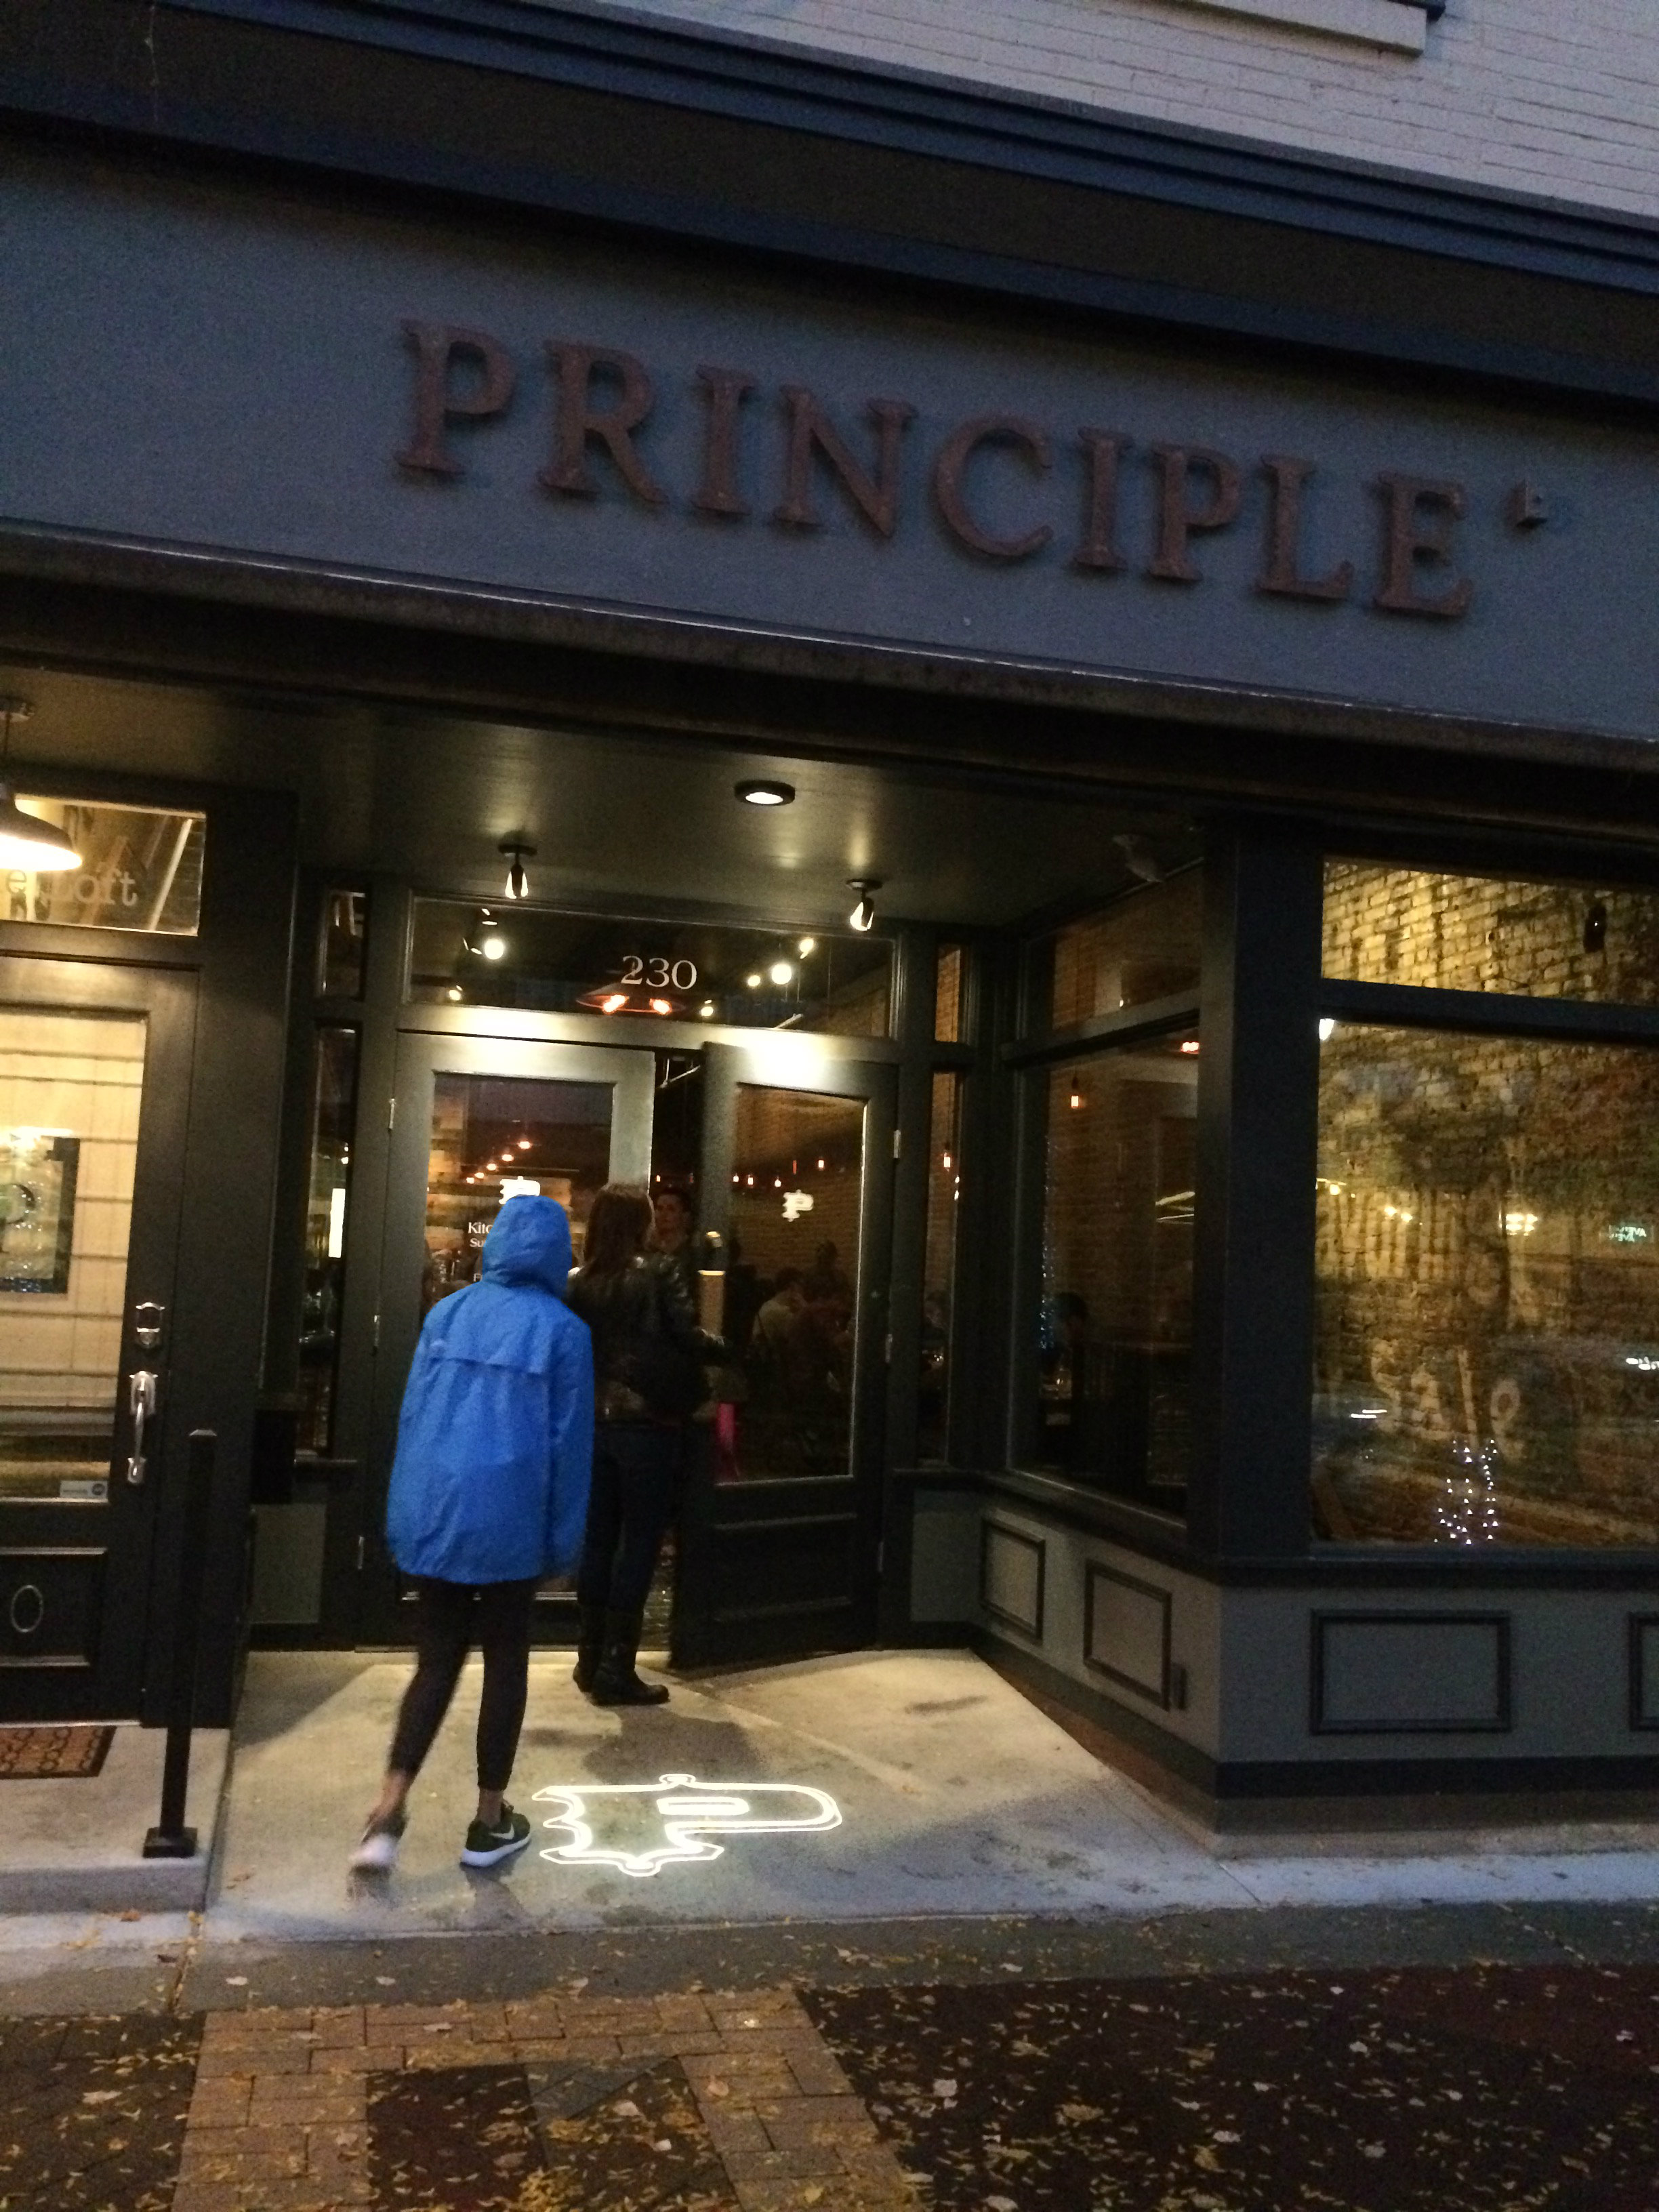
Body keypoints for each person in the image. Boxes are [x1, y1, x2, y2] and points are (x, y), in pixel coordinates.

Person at [350, 1195, 593, 1875]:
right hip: (513, 1518)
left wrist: (405, 1515)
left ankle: (386, 1810)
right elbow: (569, 1449)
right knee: (506, 1661)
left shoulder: (446, 1314)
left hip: (440, 1508)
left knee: (435, 1661)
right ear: (555, 1254)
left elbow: (415, 1419)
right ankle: (489, 1822)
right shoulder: (565, 1333)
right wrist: (564, 1546)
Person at [567, 1183, 724, 1705]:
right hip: (647, 1424)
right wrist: (724, 1345)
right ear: (639, 1222)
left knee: (598, 1540)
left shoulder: (578, 1280)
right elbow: (685, 1334)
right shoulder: (657, 1271)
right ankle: (618, 1668)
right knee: (639, 1544)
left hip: (596, 1423)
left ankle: (590, 1658)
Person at [650, 1182, 698, 1302]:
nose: (664, 1214)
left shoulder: (694, 1257)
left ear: (685, 1216)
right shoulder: (651, 1253)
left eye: (671, 1209)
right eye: (660, 1208)